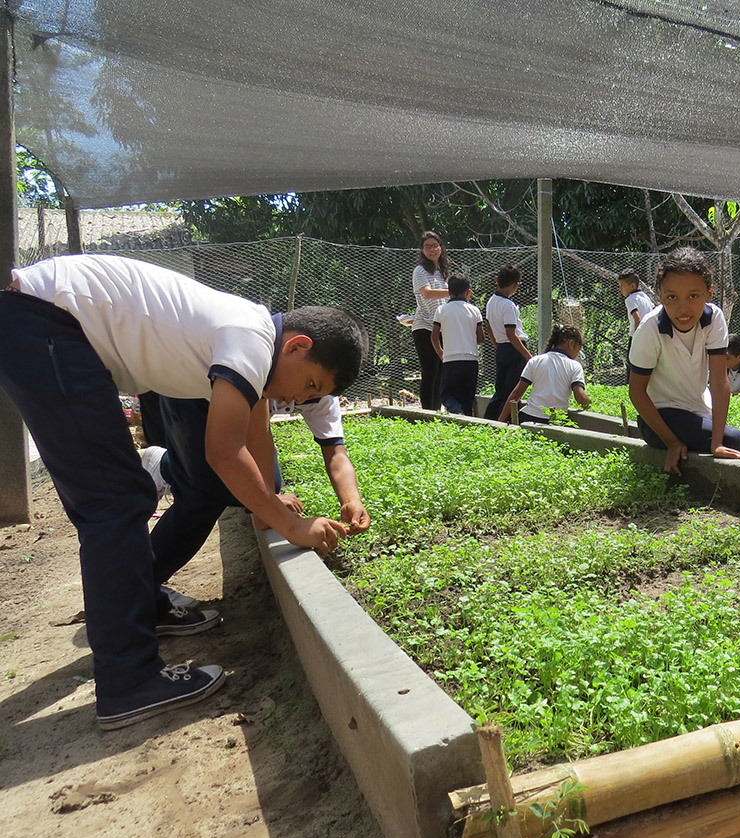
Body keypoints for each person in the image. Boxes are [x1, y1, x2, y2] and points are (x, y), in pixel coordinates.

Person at [0, 254, 367, 730]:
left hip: (46, 324)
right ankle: (128, 680)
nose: (300, 399)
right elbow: (224, 451)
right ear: (297, 346)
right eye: (310, 384)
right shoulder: (251, 337)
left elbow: (255, 433)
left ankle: (145, 608)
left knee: (125, 495)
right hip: (45, 323)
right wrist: (291, 524)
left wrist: (270, 511)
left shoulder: (253, 334)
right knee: (114, 501)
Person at [140, 392, 370, 609]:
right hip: (191, 395)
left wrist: (352, 499)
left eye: (315, 390)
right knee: (206, 490)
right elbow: (233, 452)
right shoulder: (263, 369)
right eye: (309, 384)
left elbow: (336, 454)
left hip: (236, 407)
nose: (300, 398)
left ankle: (162, 464)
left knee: (267, 487)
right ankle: (139, 587)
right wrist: (283, 520)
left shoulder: (321, 390)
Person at [627, 247, 740, 475]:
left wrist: (717, 444)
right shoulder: (650, 329)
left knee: (736, 442)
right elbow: (637, 392)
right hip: (658, 418)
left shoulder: (714, 318)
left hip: (695, 412)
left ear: (709, 294)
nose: (683, 308)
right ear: (660, 295)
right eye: (672, 297)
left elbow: (719, 381)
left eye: (693, 296)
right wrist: (671, 441)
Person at [500, 323, 591, 424]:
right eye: (578, 351)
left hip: (528, 417)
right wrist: (587, 400)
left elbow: (516, 394)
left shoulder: (535, 361)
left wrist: (500, 421)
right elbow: (580, 397)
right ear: (571, 343)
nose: (577, 355)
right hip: (555, 420)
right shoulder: (574, 366)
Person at [483, 265, 532, 420]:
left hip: (502, 348)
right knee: (513, 390)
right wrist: (528, 356)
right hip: (514, 349)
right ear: (515, 284)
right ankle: (505, 421)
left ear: (497, 280)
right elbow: (511, 334)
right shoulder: (508, 305)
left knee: (501, 389)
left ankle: (489, 418)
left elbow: (489, 327)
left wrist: (497, 345)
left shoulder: (491, 301)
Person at [432, 274, 485, 416]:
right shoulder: (474, 310)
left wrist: (440, 352)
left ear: (449, 292)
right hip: (471, 359)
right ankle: (466, 418)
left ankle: (457, 413)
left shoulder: (441, 310)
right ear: (468, 291)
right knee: (467, 396)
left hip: (450, 359)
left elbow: (434, 336)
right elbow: (481, 337)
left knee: (448, 394)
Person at [412, 231, 451, 410]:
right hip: (424, 326)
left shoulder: (443, 271)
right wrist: (455, 292)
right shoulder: (420, 270)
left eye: (434, 246)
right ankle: (428, 412)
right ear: (422, 250)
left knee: (442, 371)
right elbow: (427, 293)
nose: (432, 250)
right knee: (430, 371)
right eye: (427, 246)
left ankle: (437, 408)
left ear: (441, 248)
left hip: (443, 327)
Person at [619, 269, 656, 342]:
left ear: (632, 286)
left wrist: (637, 338)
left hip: (637, 335)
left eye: (622, 285)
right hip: (650, 334)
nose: (620, 288)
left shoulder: (630, 299)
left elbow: (637, 319)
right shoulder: (645, 296)